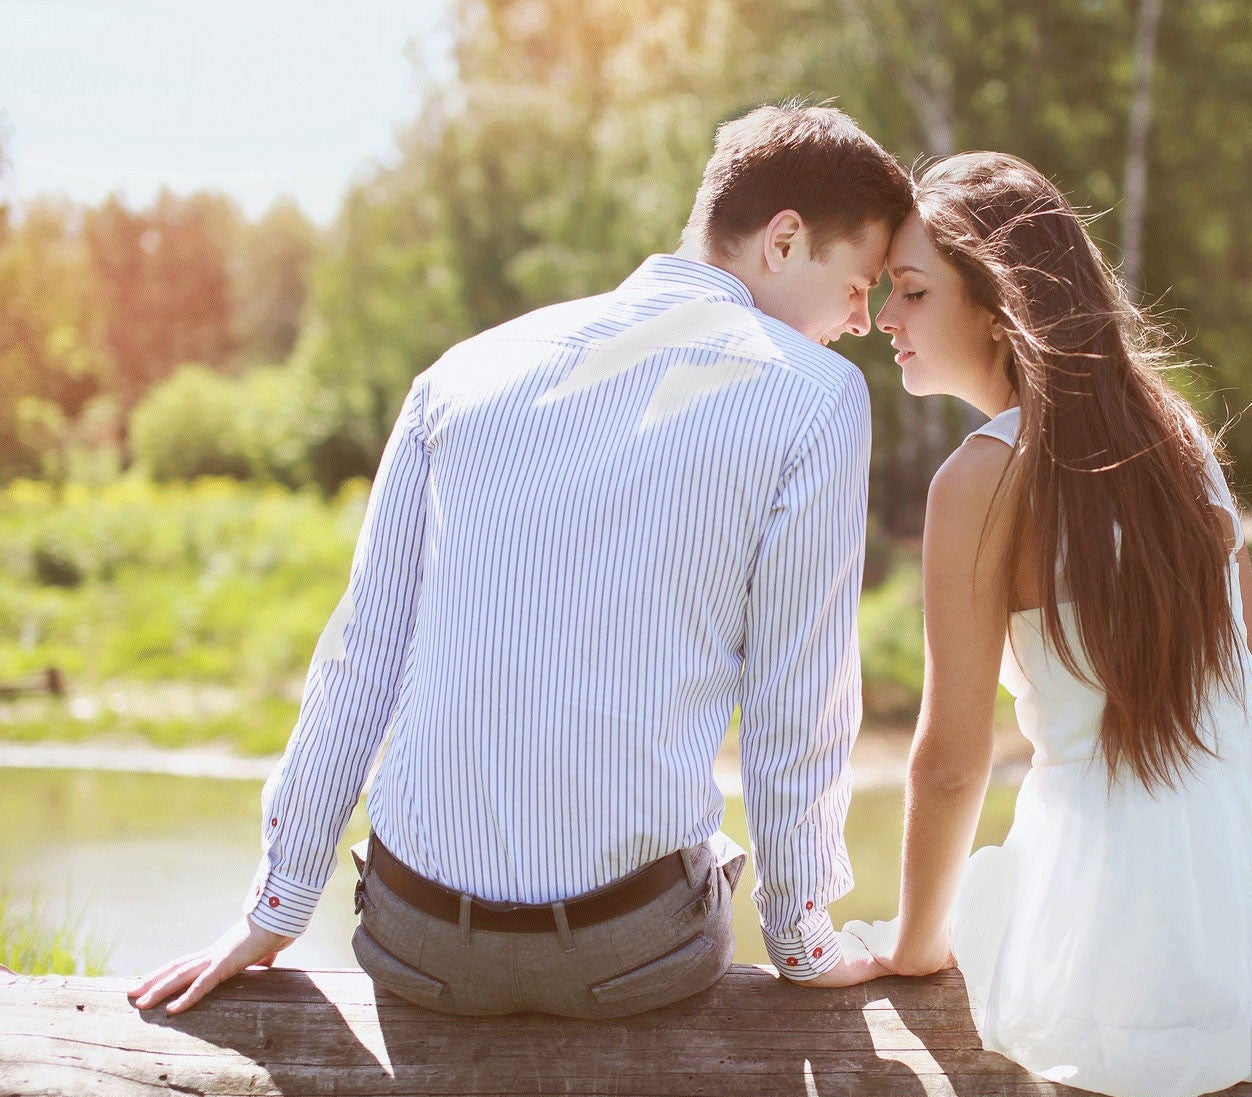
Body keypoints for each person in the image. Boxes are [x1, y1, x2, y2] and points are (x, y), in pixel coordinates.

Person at [130, 102, 912, 1018]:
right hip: (630, 957)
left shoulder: (460, 372)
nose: (863, 320)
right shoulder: (816, 397)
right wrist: (801, 936)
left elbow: (360, 654)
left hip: (413, 947)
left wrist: (276, 905)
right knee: (706, 860)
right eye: (858, 284)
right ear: (783, 241)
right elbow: (797, 699)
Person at [842, 152, 1252, 1097]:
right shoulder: (1176, 432)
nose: (887, 317)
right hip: (1245, 901)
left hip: (1118, 933)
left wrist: (909, 945)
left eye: (914, 292)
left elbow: (952, 761)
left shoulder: (977, 480)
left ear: (999, 305)